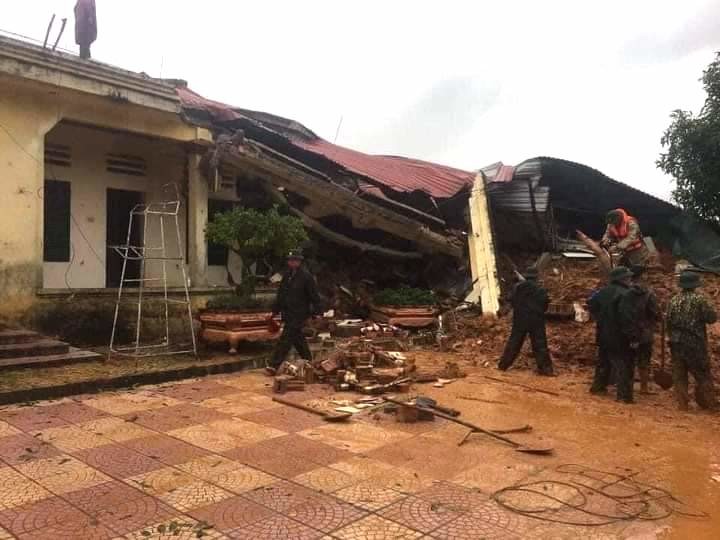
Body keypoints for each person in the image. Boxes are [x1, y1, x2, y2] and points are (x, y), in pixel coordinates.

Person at [666, 271, 718, 411]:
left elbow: (668, 321)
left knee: (680, 374)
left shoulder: (673, 300)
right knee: (703, 374)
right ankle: (711, 405)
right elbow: (711, 318)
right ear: (695, 285)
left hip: (676, 342)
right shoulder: (699, 300)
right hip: (695, 342)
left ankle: (682, 405)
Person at [266, 250, 321, 375]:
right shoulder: (287, 275)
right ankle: (309, 360)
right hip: (287, 312)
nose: (291, 262)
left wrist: (317, 313)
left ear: (299, 261)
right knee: (297, 338)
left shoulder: (306, 277)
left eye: (294, 260)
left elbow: (314, 296)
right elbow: (281, 295)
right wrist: (274, 311)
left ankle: (273, 365)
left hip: (299, 313)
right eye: (290, 260)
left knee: (285, 338)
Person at [588, 266, 638, 403]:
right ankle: (624, 395)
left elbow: (591, 304)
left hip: (603, 333)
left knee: (603, 361)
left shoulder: (602, 292)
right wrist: (633, 336)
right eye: (628, 277)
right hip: (620, 336)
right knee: (624, 364)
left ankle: (598, 387)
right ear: (623, 279)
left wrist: (600, 318)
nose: (630, 279)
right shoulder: (627, 294)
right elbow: (627, 318)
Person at [498, 267, 554, 376]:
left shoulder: (517, 288)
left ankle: (503, 365)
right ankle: (546, 370)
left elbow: (510, 299)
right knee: (540, 345)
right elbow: (545, 304)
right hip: (536, 320)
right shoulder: (541, 289)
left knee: (514, 342)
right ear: (536, 277)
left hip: (520, 319)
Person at [628, 265, 660, 393]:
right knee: (644, 359)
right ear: (642, 275)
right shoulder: (648, 293)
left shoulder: (625, 290)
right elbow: (655, 313)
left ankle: (626, 386)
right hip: (645, 332)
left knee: (628, 359)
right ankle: (644, 387)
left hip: (628, 331)